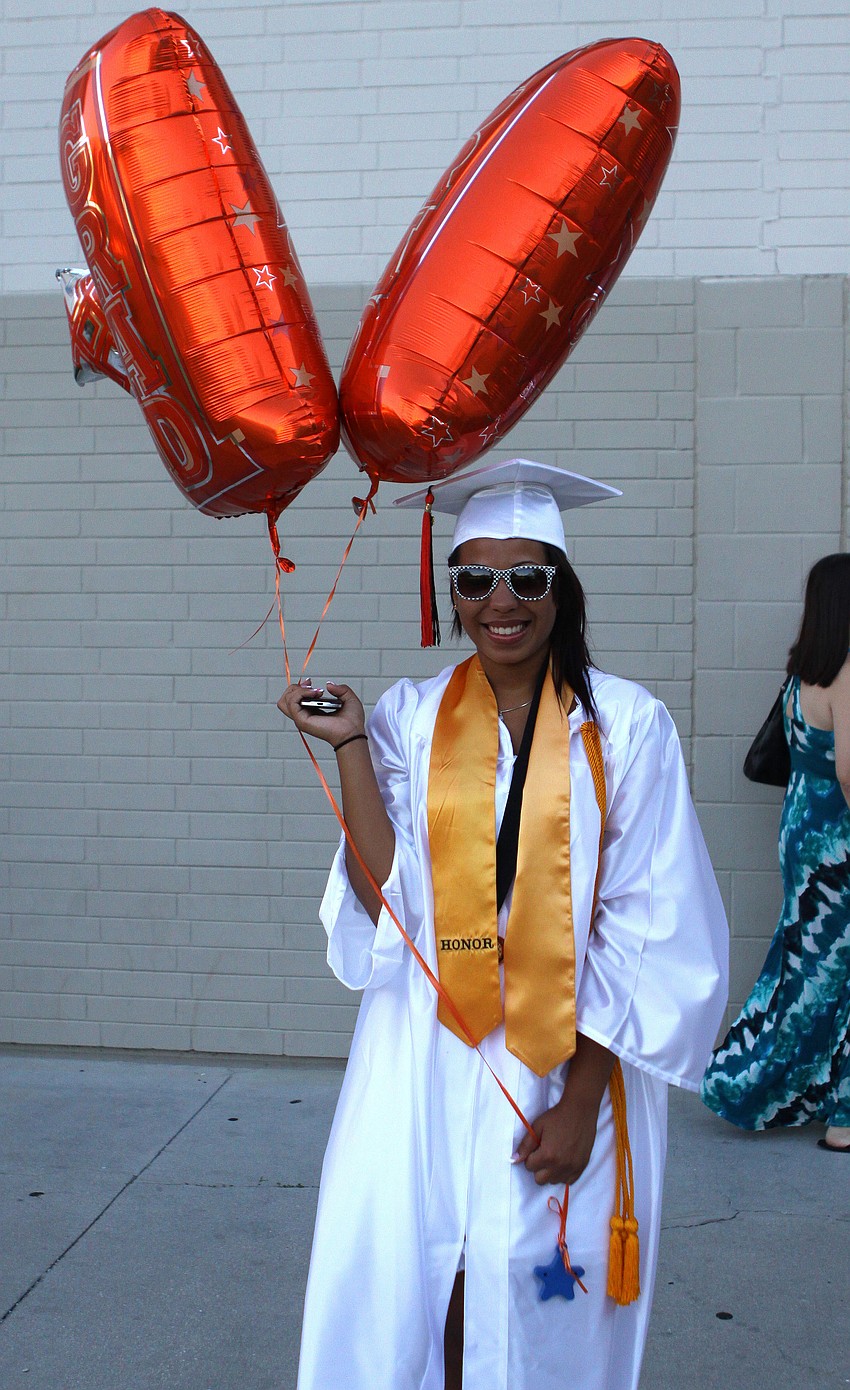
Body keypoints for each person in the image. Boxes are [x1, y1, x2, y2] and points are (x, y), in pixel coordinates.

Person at [277, 459, 728, 1390]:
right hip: (424, 1052)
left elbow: (647, 926)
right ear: (452, 591)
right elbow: (382, 894)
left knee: (532, 1300)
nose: (500, 602)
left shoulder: (629, 728)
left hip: (566, 1062)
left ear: (561, 591)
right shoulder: (408, 716)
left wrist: (581, 1103)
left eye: (527, 577)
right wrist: (353, 743)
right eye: (475, 579)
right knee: (420, 1280)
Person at [701, 552, 850, 1152]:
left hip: (802, 835)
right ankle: (837, 1115)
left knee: (811, 968)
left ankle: (791, 1091)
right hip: (838, 844)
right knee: (833, 976)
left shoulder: (801, 676)